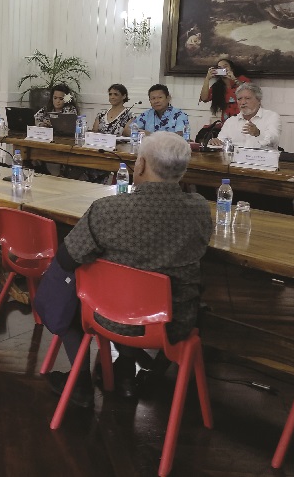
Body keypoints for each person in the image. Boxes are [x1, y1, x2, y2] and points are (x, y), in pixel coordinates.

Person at [33, 132, 213, 403]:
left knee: (72, 279)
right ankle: (126, 374)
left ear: (140, 165)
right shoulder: (200, 209)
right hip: (173, 322)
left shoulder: (108, 210)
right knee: (141, 288)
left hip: (107, 316)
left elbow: (68, 259)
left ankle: (80, 377)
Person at [209, 82, 280, 149]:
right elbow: (221, 142)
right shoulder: (231, 121)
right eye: (239, 99)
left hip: (262, 160)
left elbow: (274, 141)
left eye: (247, 98)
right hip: (234, 160)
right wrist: (216, 142)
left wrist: (258, 134)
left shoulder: (271, 117)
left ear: (259, 100)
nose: (242, 102)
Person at [199, 58, 250, 122]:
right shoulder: (217, 86)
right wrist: (207, 79)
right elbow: (204, 98)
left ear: (232, 68)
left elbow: (249, 92)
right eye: (220, 68)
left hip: (244, 119)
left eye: (225, 66)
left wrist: (234, 79)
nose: (223, 69)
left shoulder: (241, 79)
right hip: (226, 121)